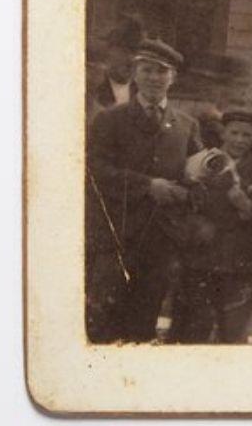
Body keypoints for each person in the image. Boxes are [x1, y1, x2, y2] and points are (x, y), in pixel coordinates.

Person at [86, 40, 199, 343]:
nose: (154, 78)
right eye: (146, 70)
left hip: (160, 241)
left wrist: (185, 192)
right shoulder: (110, 119)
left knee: (143, 323)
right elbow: (95, 172)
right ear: (135, 73)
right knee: (104, 323)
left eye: (161, 72)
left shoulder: (186, 125)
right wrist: (147, 185)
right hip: (117, 238)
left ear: (172, 78)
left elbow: (196, 177)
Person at [169, 109, 252, 343]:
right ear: (223, 133)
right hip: (200, 260)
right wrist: (196, 222)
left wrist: (247, 205)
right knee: (191, 329)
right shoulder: (202, 162)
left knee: (233, 333)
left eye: (247, 135)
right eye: (234, 133)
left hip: (239, 263)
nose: (239, 140)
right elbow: (181, 203)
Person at [87, 16, 147, 120]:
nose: (131, 59)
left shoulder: (144, 94)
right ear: (110, 51)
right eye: (125, 51)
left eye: (136, 53)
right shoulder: (92, 91)